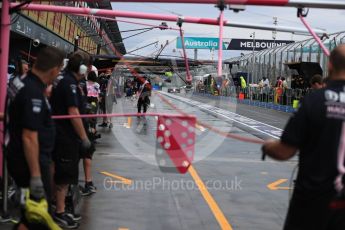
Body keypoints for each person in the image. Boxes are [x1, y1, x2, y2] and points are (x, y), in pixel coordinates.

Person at [261, 45, 345, 230]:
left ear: (329, 66)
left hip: (313, 199)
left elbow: (284, 151)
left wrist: (267, 146)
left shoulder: (315, 100)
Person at [5, 47, 65, 230]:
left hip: (18, 157)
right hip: (31, 163)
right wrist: (36, 176)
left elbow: (14, 114)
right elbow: (29, 137)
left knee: (30, 215)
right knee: (37, 216)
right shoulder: (33, 93)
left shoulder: (19, 82)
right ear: (54, 70)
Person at [50, 51, 91, 228]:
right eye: (86, 66)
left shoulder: (70, 81)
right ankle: (59, 212)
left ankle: (60, 208)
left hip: (64, 136)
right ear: (81, 68)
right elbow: (73, 113)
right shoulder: (69, 84)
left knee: (64, 175)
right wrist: (84, 138)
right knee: (63, 177)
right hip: (65, 136)